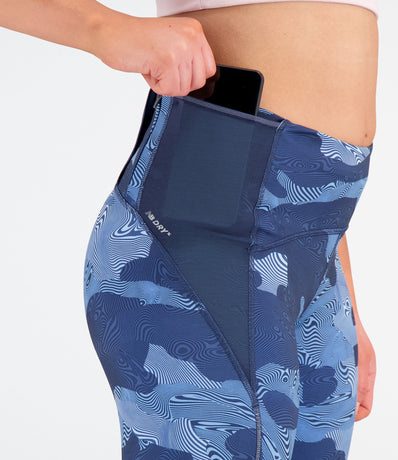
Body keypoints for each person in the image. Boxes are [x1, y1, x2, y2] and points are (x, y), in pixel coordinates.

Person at [1, 0, 377, 458]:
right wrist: (104, 28)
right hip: (194, 255)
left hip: (312, 269)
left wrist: (342, 297)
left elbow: (307, 185)